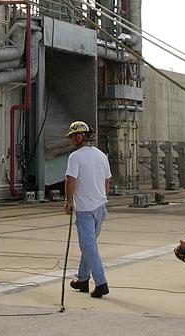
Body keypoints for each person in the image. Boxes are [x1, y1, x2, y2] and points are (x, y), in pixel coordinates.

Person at [64, 120, 111, 299]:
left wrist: (68, 202)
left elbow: (71, 180)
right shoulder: (101, 155)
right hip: (100, 207)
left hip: (85, 210)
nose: (71, 141)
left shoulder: (75, 157)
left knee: (88, 246)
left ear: (78, 138)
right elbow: (107, 181)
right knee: (89, 246)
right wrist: (101, 197)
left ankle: (101, 283)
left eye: (72, 138)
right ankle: (83, 279)